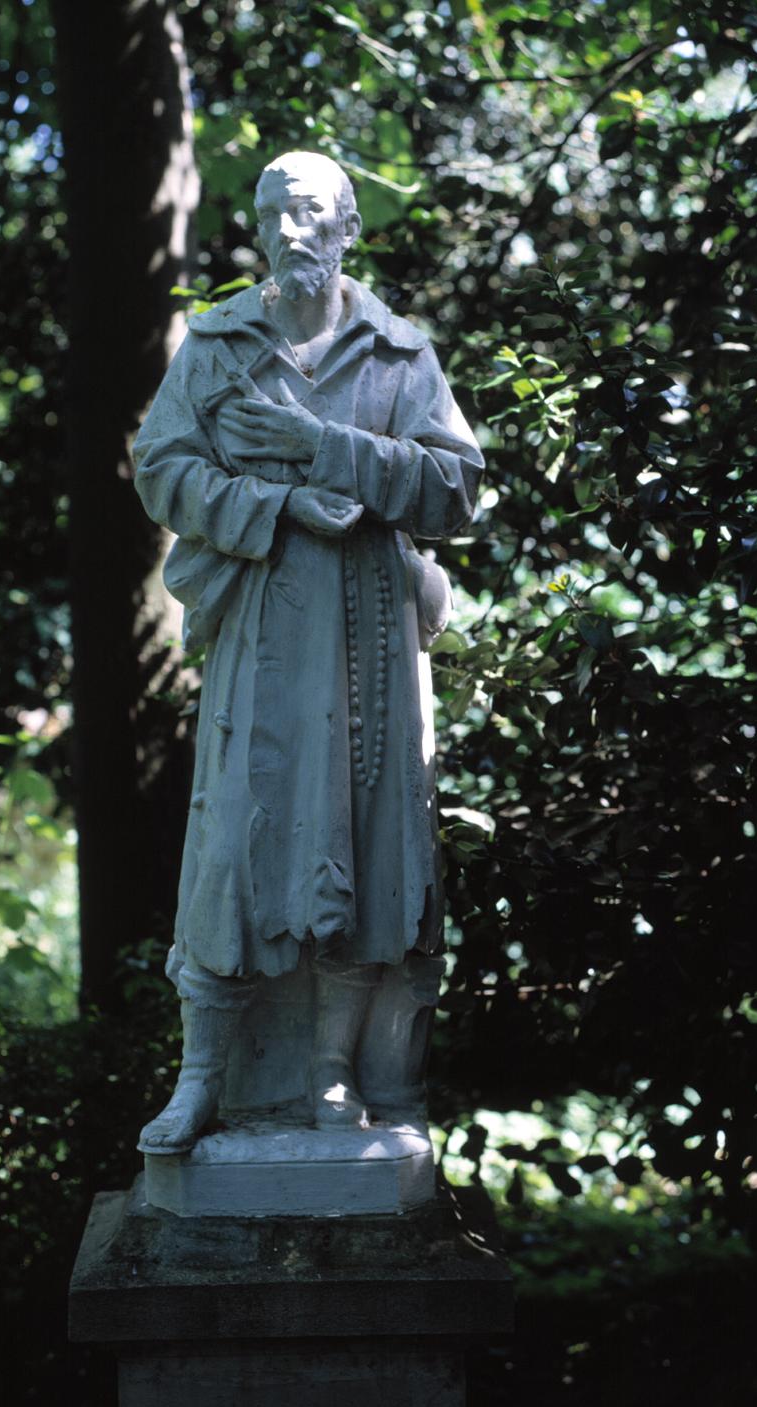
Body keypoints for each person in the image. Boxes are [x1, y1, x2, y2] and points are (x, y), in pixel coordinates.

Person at [133, 151, 484, 1154]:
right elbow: (160, 470)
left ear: (345, 227)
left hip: (373, 635)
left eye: (310, 213)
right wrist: (277, 502)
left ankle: (333, 1076)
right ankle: (203, 1079)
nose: (292, 231)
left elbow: (455, 492)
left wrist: (315, 448)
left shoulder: (396, 355)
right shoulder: (220, 344)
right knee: (235, 842)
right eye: (274, 215)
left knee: (366, 845)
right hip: (262, 627)